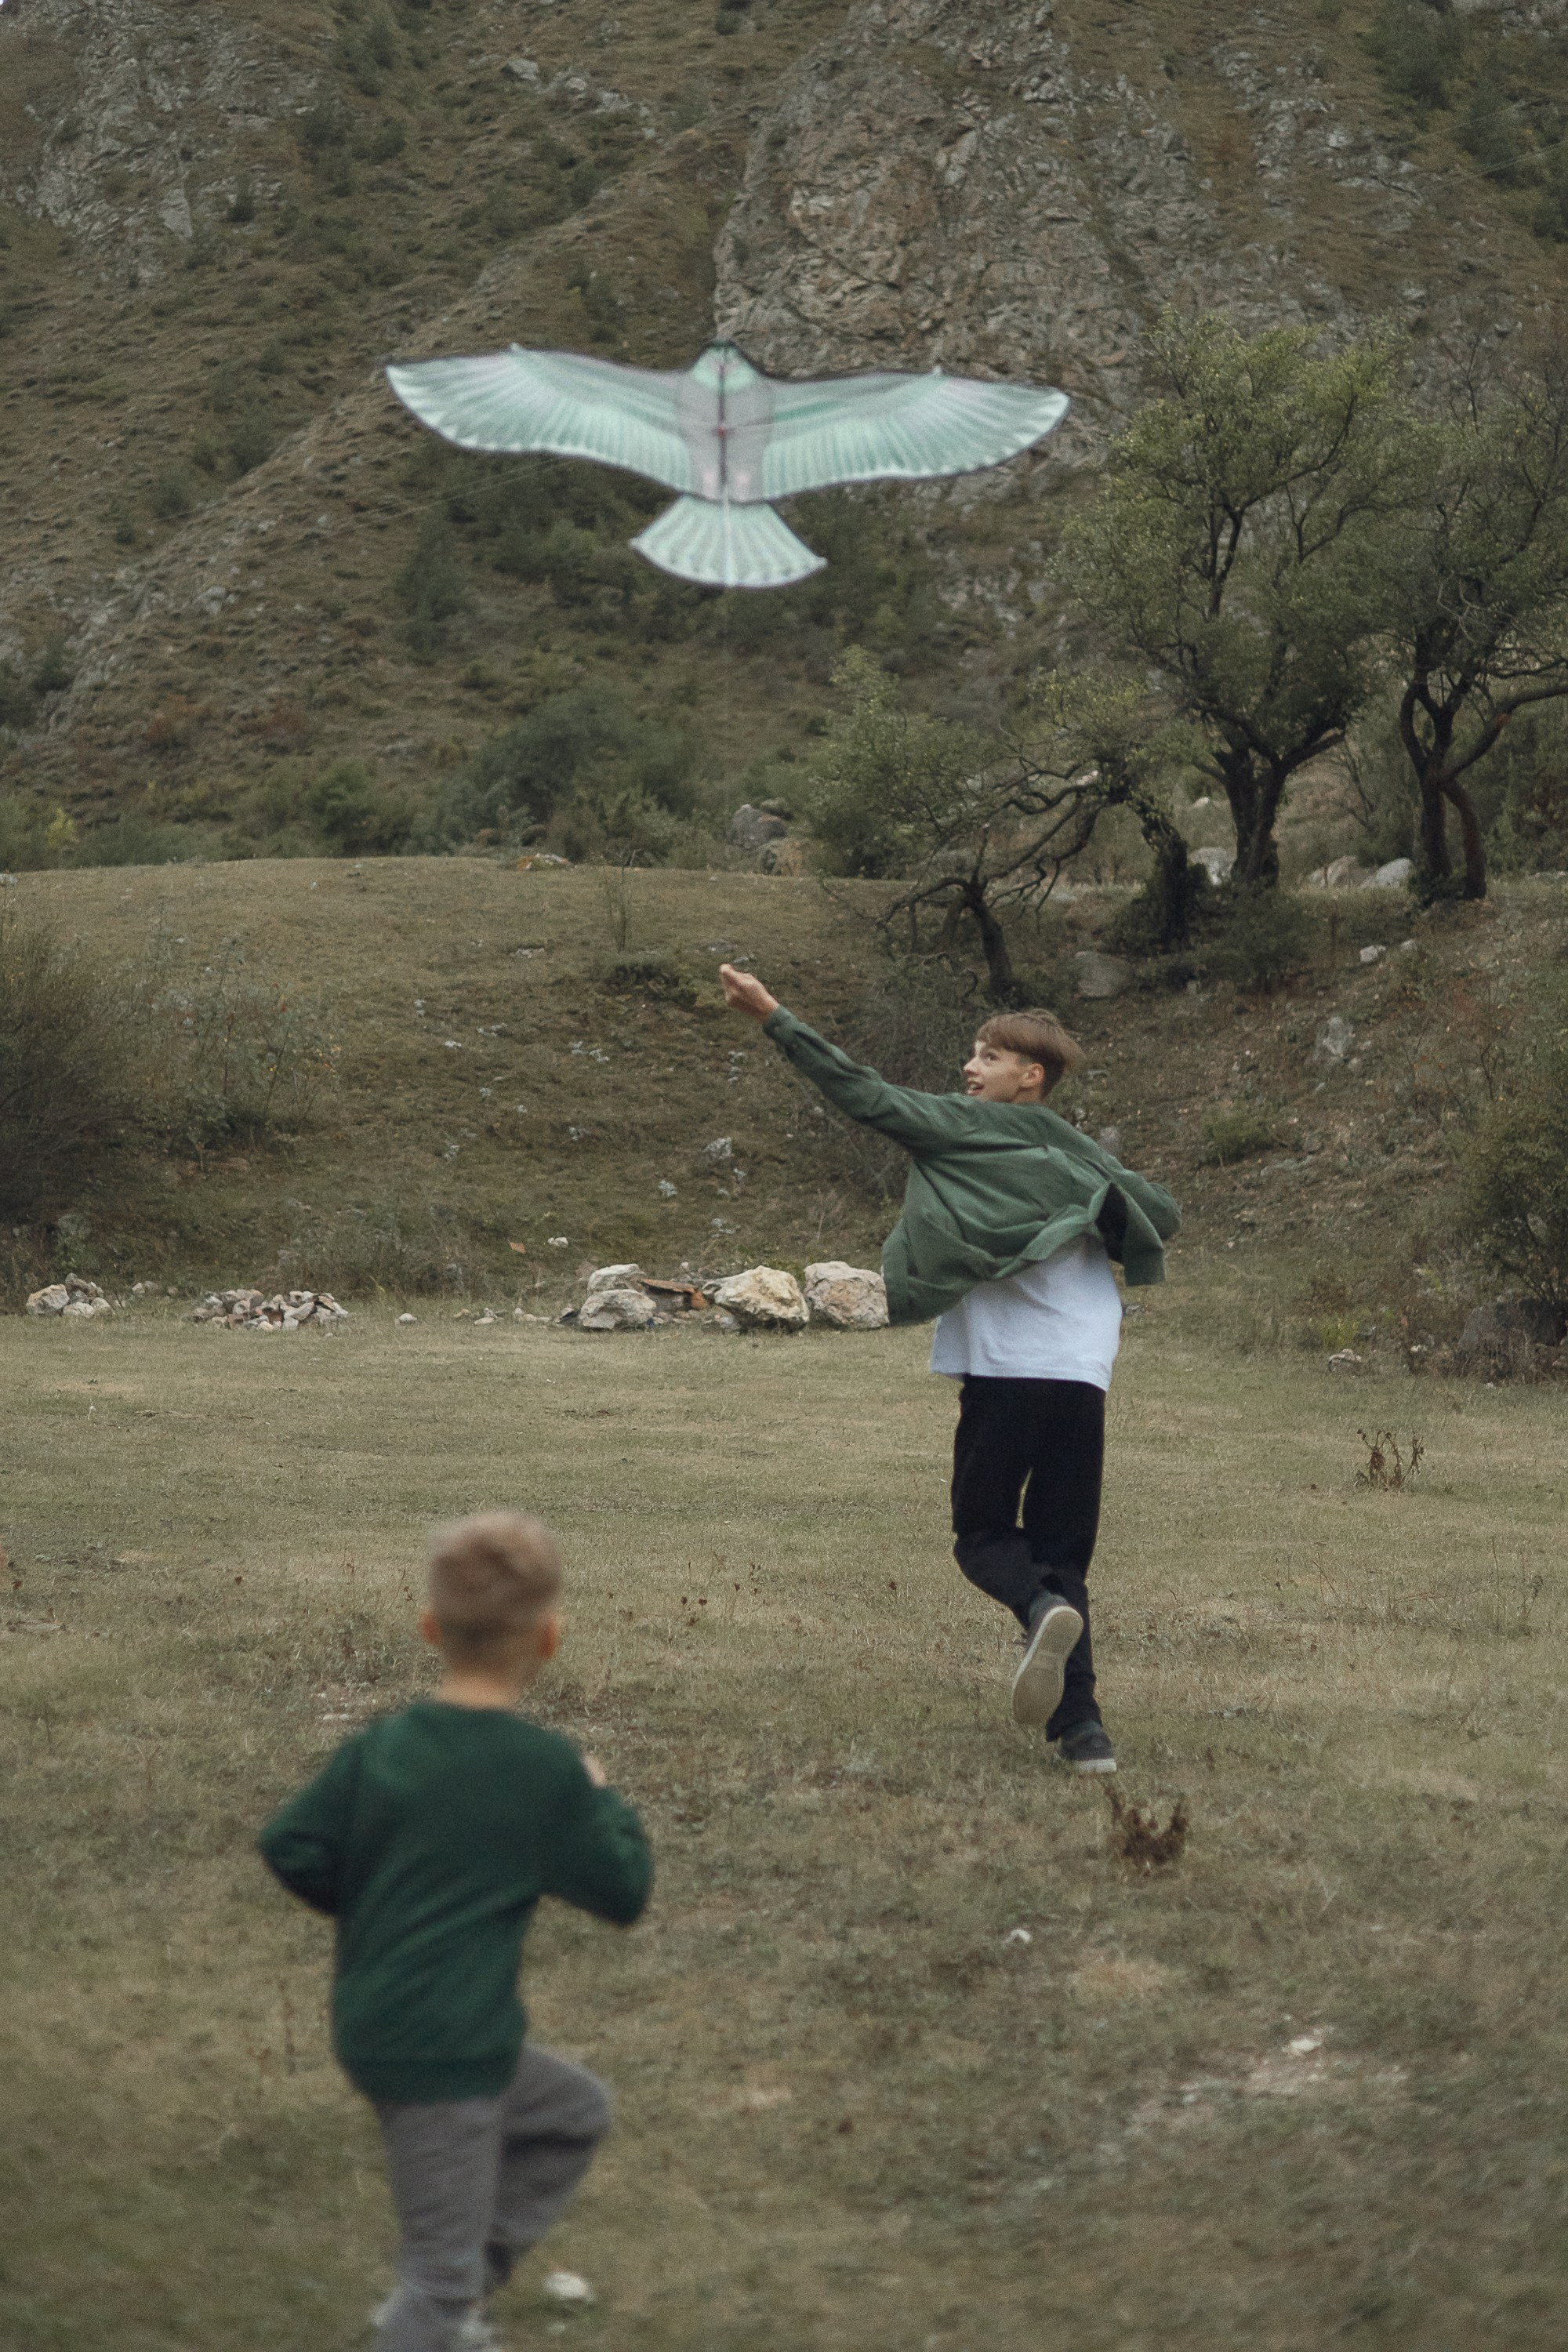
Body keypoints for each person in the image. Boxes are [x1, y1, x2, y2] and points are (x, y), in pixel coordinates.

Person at [718, 966, 1180, 1776]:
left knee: (981, 1537)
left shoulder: (962, 1127)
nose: (969, 1068)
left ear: (1028, 1077)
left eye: (988, 1056)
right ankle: (1083, 1735)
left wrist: (772, 1016)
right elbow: (1159, 1214)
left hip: (1006, 1373)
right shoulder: (1076, 1154)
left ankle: (1037, 1610)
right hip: (1083, 1374)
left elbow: (859, 1090)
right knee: (1063, 1552)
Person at [259, 1512, 652, 2352]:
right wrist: (597, 1792)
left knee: (572, 2110)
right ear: (549, 1637)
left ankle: (458, 2295)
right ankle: (439, 2312)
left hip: (386, 2022)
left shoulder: (382, 1747)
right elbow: (624, 1892)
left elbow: (289, 1845)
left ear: (429, 1628)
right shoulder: (543, 1771)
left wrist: (372, 1908)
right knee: (430, 2283)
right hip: (444, 2050)